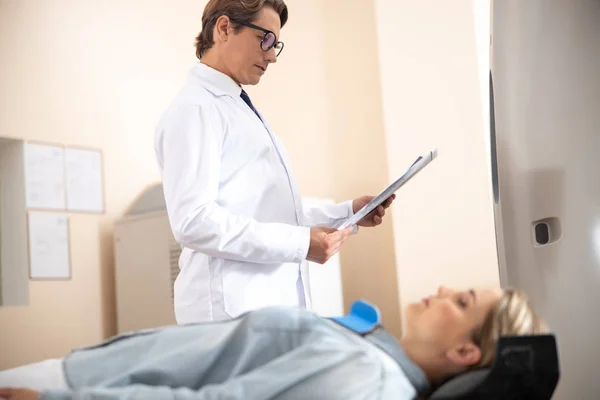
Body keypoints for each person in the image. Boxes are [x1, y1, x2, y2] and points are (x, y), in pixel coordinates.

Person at [153, 0, 394, 325]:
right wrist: (300, 243)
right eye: (265, 39)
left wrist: (347, 213)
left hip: (263, 311)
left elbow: (266, 210)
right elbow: (194, 222)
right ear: (224, 28)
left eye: (276, 43)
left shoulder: (235, 106)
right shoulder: (196, 109)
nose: (272, 55)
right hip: (229, 316)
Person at [0, 286, 547, 399]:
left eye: (462, 301)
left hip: (75, 390)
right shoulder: (371, 358)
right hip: (86, 375)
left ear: (465, 353)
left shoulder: (365, 381)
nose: (445, 290)